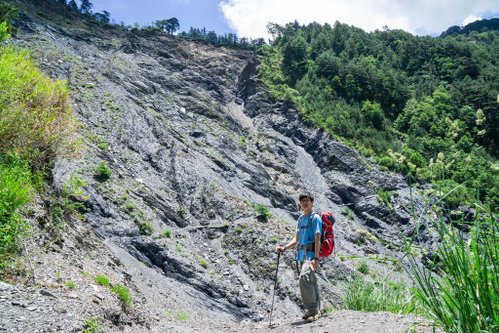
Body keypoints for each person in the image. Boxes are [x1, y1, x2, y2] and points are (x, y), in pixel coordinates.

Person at [276, 192, 322, 321]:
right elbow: (297, 238)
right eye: (302, 201)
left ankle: (313, 310)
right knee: (310, 280)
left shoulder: (316, 218)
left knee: (304, 277)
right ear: (300, 204)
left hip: (311, 254)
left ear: (312, 203)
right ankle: (315, 309)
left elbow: (317, 237)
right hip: (301, 255)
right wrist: (285, 247)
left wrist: (316, 258)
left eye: (307, 200)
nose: (305, 203)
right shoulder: (301, 218)